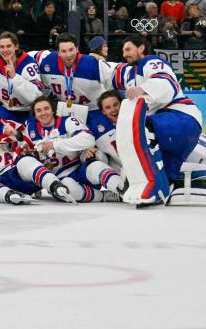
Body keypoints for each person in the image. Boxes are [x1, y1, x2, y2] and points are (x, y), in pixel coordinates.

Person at [116, 35, 203, 206]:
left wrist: (141, 89)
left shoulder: (150, 61)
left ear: (141, 48)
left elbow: (165, 82)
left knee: (143, 129)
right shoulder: (131, 72)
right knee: (169, 180)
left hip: (181, 118)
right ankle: (161, 189)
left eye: (128, 49)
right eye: (123, 51)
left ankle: (153, 185)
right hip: (172, 130)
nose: (125, 54)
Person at [23, 96, 124, 202]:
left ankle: (123, 189)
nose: (43, 113)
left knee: (97, 163)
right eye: (38, 110)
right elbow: (25, 150)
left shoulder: (67, 121)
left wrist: (55, 144)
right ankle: (103, 196)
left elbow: (88, 139)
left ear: (53, 110)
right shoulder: (30, 128)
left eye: (46, 108)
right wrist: (26, 150)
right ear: (34, 115)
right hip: (58, 177)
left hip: (79, 168)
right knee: (66, 191)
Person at [38, 33, 122, 128]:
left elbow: (119, 72)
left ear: (77, 49)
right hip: (67, 111)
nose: (68, 55)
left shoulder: (91, 64)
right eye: (64, 51)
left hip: (94, 111)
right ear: (58, 52)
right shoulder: (47, 62)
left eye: (71, 50)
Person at [0, 32, 43, 124]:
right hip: (8, 109)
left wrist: (15, 76)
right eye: (2, 47)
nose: (5, 50)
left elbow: (36, 95)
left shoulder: (28, 66)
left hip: (29, 111)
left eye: (8, 46)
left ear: (16, 47)